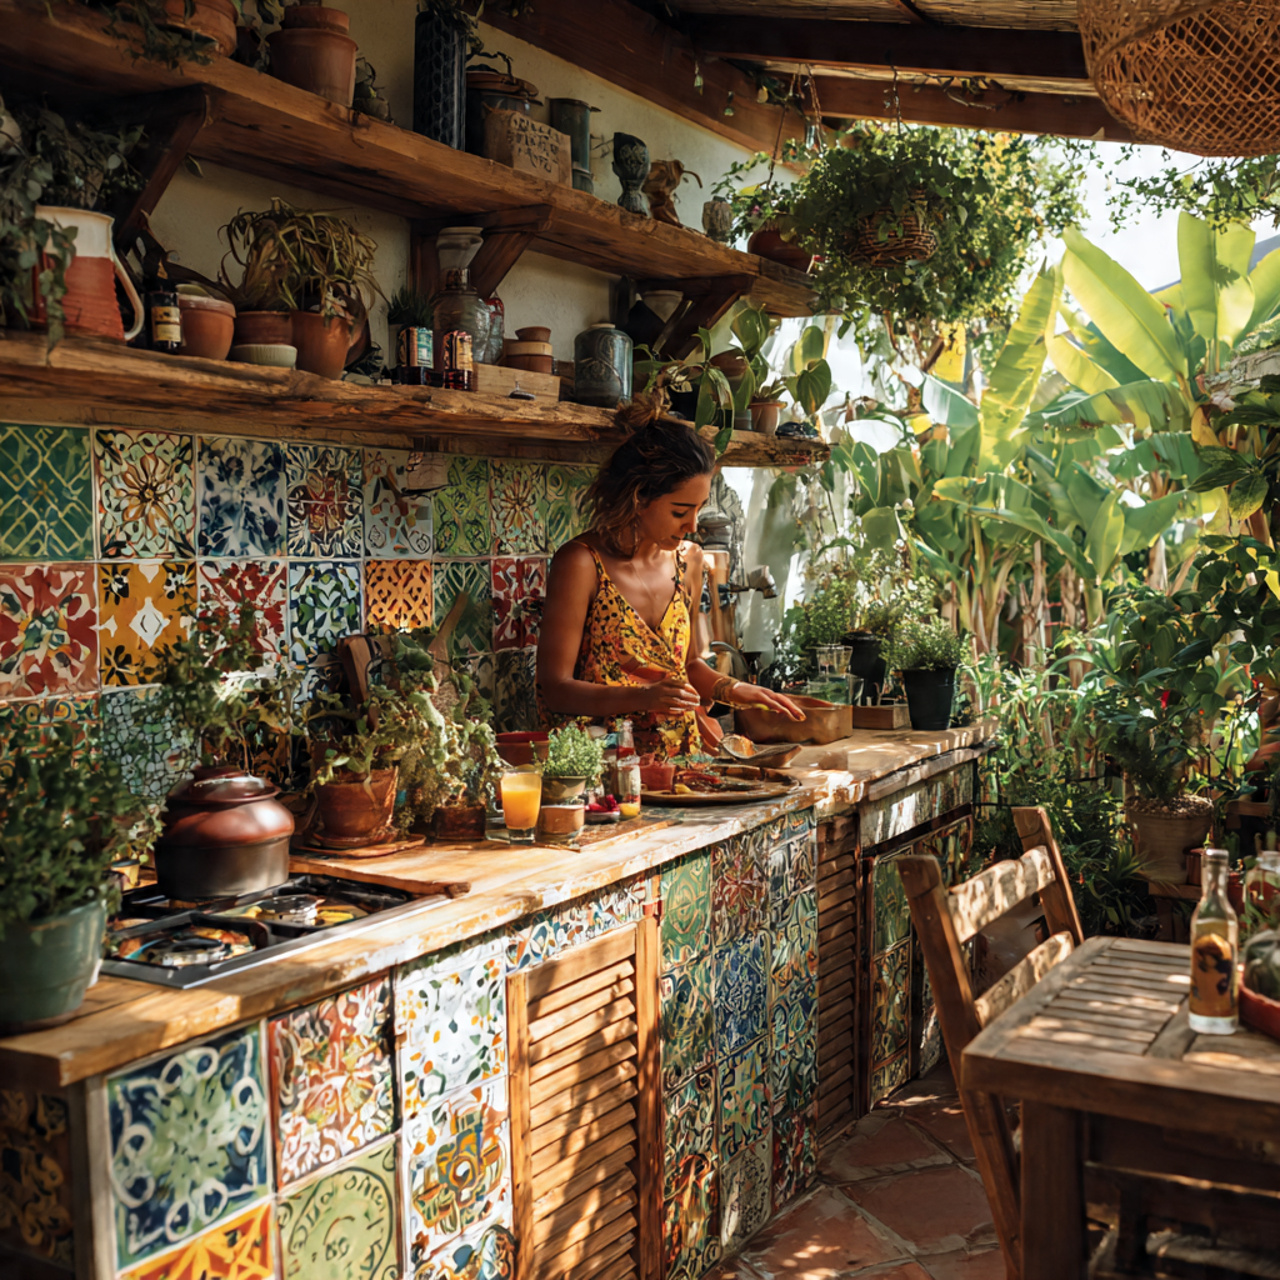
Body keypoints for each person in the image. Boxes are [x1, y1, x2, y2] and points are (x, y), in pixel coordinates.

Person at [536, 395, 803, 759]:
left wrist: (734, 690)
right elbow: (555, 688)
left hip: (682, 765)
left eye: (698, 509)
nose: (693, 525)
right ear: (638, 497)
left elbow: (688, 666)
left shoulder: (689, 560)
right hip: (605, 770)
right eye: (680, 511)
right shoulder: (582, 563)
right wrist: (642, 697)